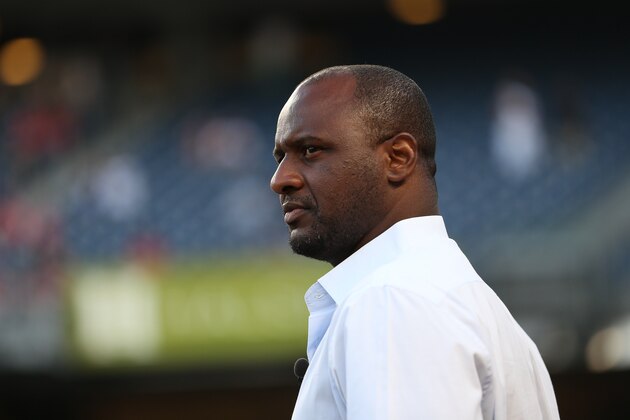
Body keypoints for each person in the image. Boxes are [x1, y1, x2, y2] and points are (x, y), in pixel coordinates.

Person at [270, 65, 560, 420]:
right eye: (280, 156)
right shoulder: (467, 303)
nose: (280, 179)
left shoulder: (392, 298)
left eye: (311, 150)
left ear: (398, 158)